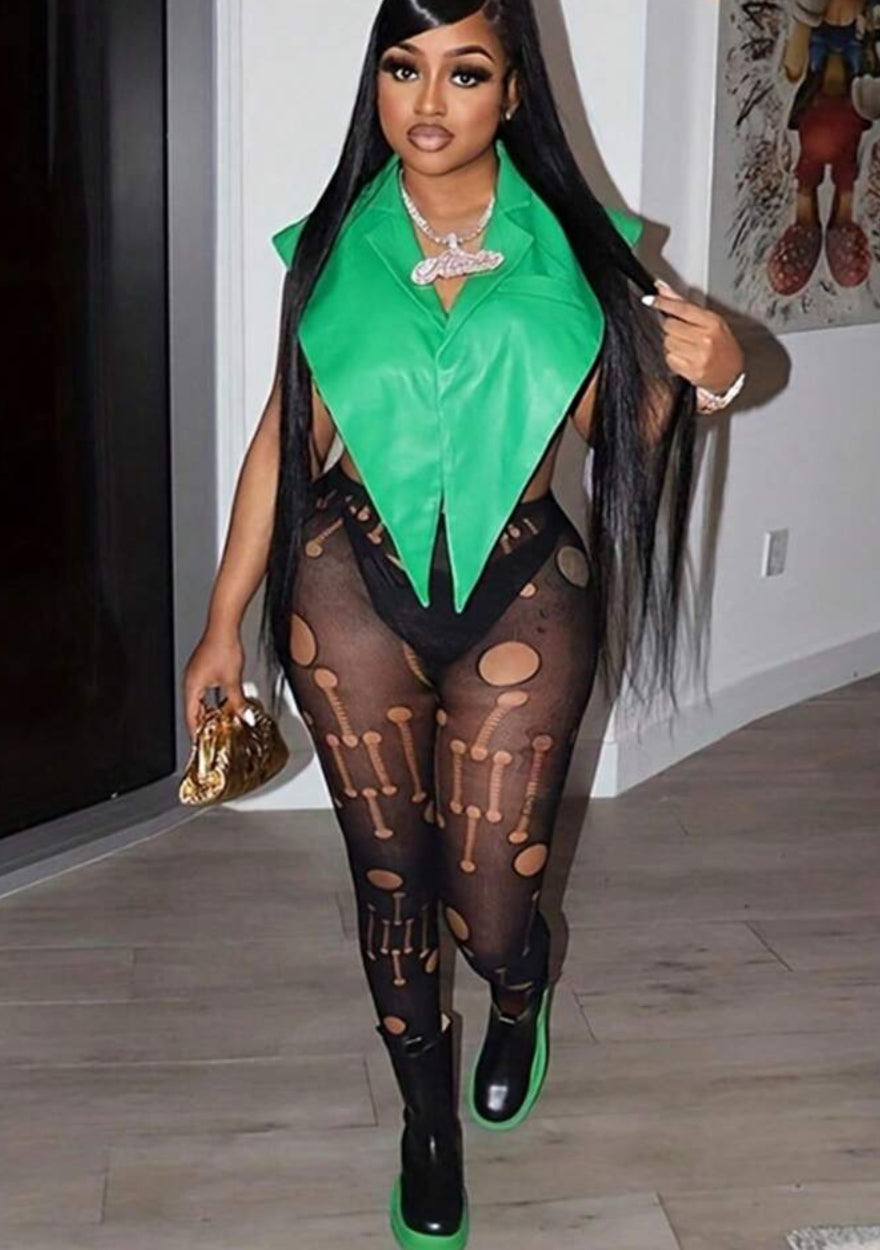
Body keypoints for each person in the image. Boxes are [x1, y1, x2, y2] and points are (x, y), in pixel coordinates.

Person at [183, 3, 745, 1247]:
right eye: (404, 67)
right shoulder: (331, 247)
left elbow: (617, 435)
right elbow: (287, 436)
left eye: (465, 71)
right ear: (376, 81)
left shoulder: (582, 252)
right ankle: (424, 1123)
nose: (428, 101)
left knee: (489, 905)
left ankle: (519, 987)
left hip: (522, 592)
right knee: (389, 878)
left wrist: (707, 377)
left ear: (512, 93)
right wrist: (222, 622)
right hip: (346, 590)